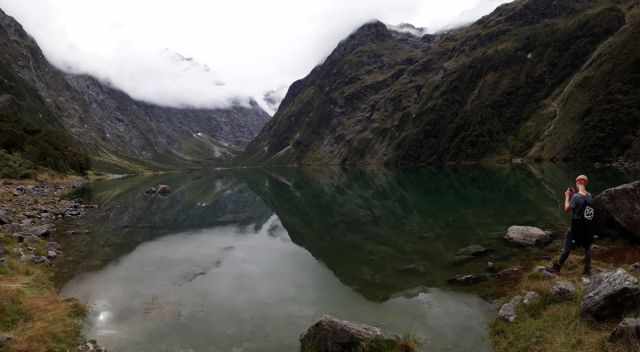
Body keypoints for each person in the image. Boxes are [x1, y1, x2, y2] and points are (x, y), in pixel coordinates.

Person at [551, 175, 595, 276]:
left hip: (575, 228)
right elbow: (583, 203)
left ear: (578, 182)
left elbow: (567, 209)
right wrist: (574, 195)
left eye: (577, 182)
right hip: (586, 227)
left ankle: (557, 268)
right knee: (587, 247)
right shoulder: (589, 195)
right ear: (586, 183)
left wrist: (567, 196)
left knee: (567, 247)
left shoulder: (575, 197)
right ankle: (587, 270)